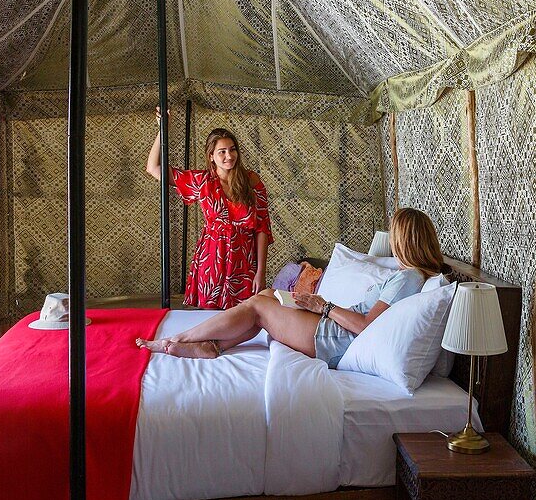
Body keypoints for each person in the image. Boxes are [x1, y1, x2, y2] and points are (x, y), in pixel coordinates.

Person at [135, 207, 446, 366]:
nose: (390, 240)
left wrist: (324, 306)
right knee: (268, 295)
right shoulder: (409, 275)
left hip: (331, 340)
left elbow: (365, 325)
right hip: (330, 329)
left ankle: (178, 338)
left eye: (394, 234)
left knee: (258, 307)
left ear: (404, 240)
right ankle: (215, 346)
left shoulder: (407, 278)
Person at [147, 109, 273, 309]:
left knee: (244, 317)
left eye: (232, 149)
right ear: (211, 156)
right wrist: (163, 129)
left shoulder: (251, 181)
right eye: (222, 152)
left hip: (244, 263)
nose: (229, 156)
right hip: (212, 259)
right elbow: (154, 168)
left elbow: (262, 228)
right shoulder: (202, 181)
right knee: (210, 317)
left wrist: (261, 272)